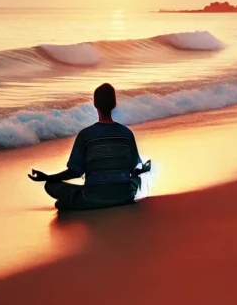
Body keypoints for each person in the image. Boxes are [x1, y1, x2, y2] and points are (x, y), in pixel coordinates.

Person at [28, 83, 150, 211]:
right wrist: (142, 170)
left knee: (51, 185)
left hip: (92, 198)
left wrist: (47, 177)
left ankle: (74, 203)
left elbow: (75, 172)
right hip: (124, 196)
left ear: (95, 104)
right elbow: (135, 168)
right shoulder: (126, 134)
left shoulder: (86, 135)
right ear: (114, 104)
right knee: (136, 180)